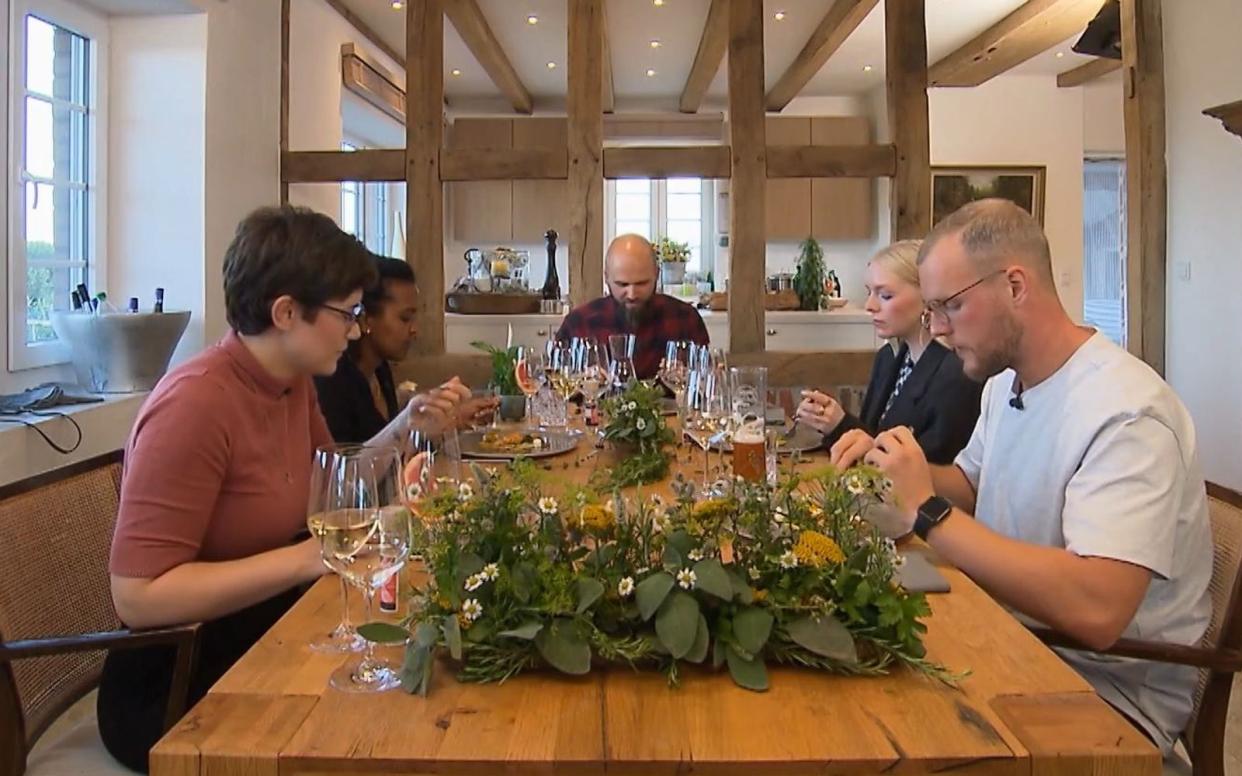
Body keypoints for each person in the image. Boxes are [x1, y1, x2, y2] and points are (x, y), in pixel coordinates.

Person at [832, 199, 1211, 755]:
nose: (935, 329)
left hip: (1103, 693)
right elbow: (971, 483)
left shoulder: (1126, 412)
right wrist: (898, 471)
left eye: (950, 307)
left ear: (1014, 286)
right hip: (1012, 635)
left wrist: (927, 511)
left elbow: (1097, 608)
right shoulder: (1004, 385)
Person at [98, 207, 466, 772]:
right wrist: (308, 558)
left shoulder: (291, 383)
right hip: (182, 682)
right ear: (286, 312)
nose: (355, 329)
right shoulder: (193, 406)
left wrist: (405, 428)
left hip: (271, 632)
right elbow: (139, 597)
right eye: (348, 314)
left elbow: (332, 484)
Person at [795, 240, 981, 464]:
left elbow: (927, 470)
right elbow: (872, 440)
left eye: (885, 295)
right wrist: (836, 422)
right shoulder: (889, 358)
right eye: (869, 293)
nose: (869, 305)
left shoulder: (956, 376)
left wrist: (844, 426)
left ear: (928, 298)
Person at [315, 256, 496, 443]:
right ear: (365, 319)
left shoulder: (380, 370)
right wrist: (407, 422)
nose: (414, 329)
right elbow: (344, 467)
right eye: (404, 318)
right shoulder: (333, 382)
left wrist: (453, 419)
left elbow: (393, 451)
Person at [556, 234, 709, 379]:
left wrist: (691, 378)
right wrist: (582, 382)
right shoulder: (578, 322)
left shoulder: (685, 319)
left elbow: (705, 384)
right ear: (606, 277)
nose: (631, 294)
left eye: (641, 283)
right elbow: (554, 387)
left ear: (656, 274)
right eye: (622, 284)